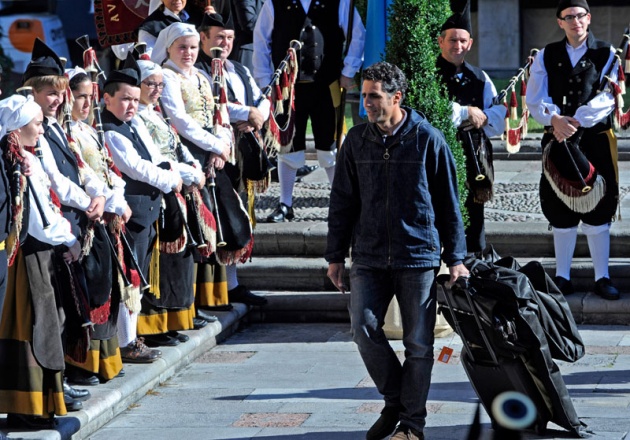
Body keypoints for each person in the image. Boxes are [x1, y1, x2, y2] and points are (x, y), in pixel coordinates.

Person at [325, 62, 469, 440]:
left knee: (419, 344)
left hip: (418, 256)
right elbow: (342, 202)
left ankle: (411, 426)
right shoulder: (355, 141)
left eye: (374, 96)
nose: (366, 104)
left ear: (396, 97)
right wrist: (334, 255)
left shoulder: (428, 139)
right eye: (363, 96)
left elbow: (448, 204)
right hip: (369, 257)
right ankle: (396, 402)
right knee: (364, 330)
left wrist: (456, 258)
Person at [155, 22, 254, 310]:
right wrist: (214, 145)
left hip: (213, 156)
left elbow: (219, 111)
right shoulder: (167, 77)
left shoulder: (201, 75)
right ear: (170, 48)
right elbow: (179, 120)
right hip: (188, 156)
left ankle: (218, 294)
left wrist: (222, 146)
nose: (187, 52)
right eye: (181, 47)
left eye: (192, 47)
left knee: (223, 223)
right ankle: (194, 302)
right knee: (199, 228)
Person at [526, 0, 620, 300]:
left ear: (588, 19)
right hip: (557, 139)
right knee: (559, 206)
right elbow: (534, 97)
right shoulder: (545, 55)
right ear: (560, 22)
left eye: (580, 16)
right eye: (568, 17)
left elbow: (610, 96)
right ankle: (562, 277)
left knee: (599, 206)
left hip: (595, 140)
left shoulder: (607, 53)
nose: (575, 21)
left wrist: (576, 119)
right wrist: (554, 119)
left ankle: (602, 277)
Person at [0, 93, 82, 427]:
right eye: (36, 125)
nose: (42, 131)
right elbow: (38, 220)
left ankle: (37, 404)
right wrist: (70, 238)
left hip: (33, 254)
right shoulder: (20, 164)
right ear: (17, 130)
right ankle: (28, 408)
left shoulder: (25, 158)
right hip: (30, 257)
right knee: (37, 328)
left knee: (46, 326)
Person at [253, 0, 366, 222]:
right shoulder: (274, 3)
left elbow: (357, 35)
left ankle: (339, 203)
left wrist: (349, 70)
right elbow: (261, 41)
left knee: (331, 145)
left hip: (328, 85)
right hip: (287, 89)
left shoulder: (341, 2)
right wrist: (266, 81)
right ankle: (285, 204)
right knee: (288, 145)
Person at [102, 57, 184, 355]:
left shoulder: (132, 124)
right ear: (107, 98)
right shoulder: (111, 131)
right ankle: (126, 343)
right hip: (133, 215)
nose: (131, 105)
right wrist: (169, 179)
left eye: (135, 100)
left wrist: (172, 172)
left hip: (148, 212)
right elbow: (137, 168)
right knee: (130, 279)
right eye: (124, 99)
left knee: (139, 277)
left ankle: (132, 338)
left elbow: (152, 157)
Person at [134, 57, 208, 346]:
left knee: (179, 260)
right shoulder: (138, 117)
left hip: (179, 189)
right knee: (160, 263)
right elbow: (157, 159)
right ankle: (153, 326)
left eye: (160, 85)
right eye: (149, 84)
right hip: (161, 192)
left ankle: (175, 319)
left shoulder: (158, 113)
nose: (155, 89)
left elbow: (177, 146)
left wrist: (194, 167)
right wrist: (189, 172)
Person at [196, 12, 268, 306]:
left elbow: (260, 99)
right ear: (204, 38)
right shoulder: (198, 70)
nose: (224, 43)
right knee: (221, 219)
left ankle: (234, 283)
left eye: (229, 38)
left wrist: (257, 116)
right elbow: (214, 104)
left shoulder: (238, 68)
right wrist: (246, 113)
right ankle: (213, 292)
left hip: (240, 153)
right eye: (218, 38)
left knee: (237, 216)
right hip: (212, 155)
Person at [62, 68, 129, 385]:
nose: (87, 103)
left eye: (90, 97)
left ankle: (106, 360)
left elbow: (107, 170)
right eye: (80, 96)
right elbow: (84, 176)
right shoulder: (67, 134)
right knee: (90, 293)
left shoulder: (87, 130)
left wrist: (118, 197)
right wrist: (109, 202)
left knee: (108, 291)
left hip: (106, 217)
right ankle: (82, 364)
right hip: (85, 221)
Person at [436, 3, 505, 256]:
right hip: (438, 157)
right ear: (440, 41)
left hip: (474, 158)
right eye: (452, 40)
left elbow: (498, 114)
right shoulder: (429, 75)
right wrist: (465, 112)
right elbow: (427, 109)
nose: (458, 46)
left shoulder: (480, 77)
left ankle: (473, 269)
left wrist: (484, 116)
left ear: (471, 43)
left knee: (474, 217)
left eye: (463, 40)